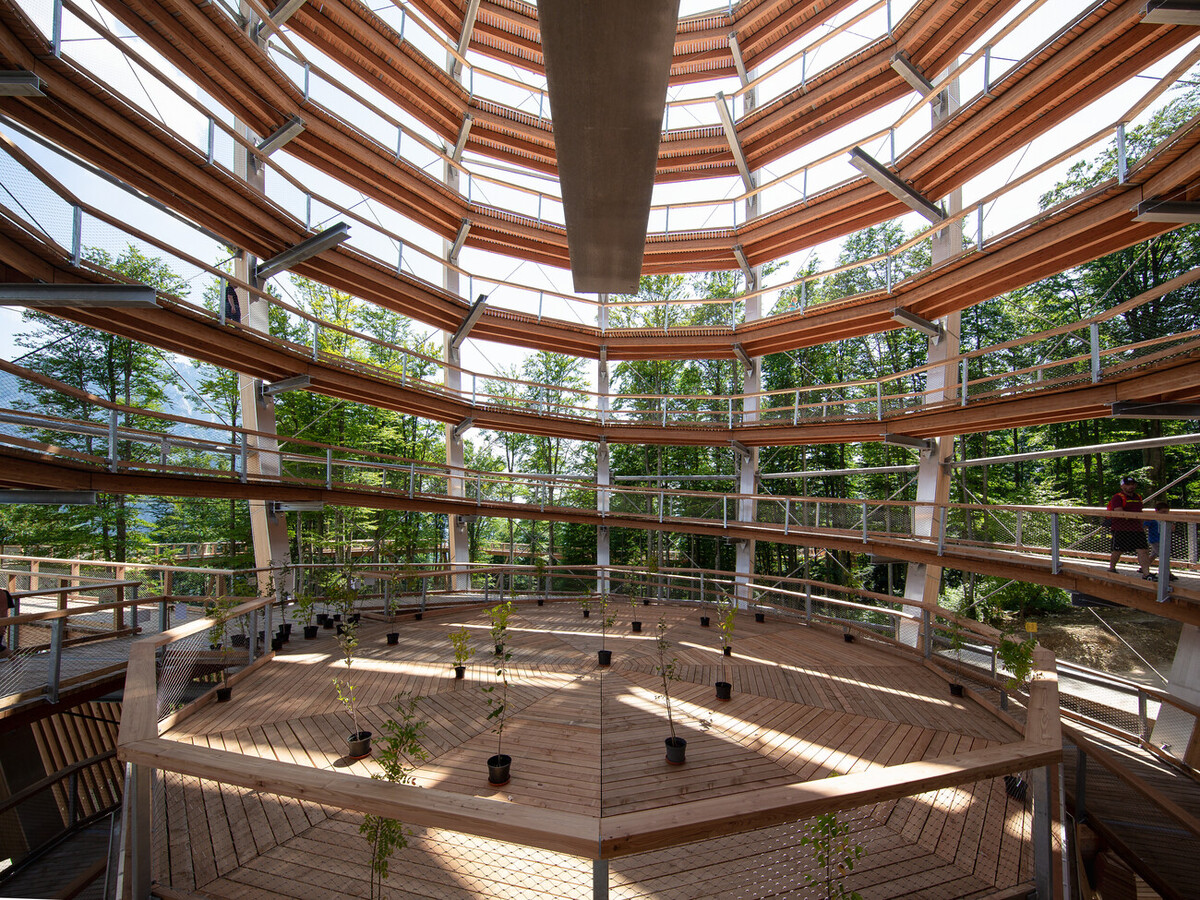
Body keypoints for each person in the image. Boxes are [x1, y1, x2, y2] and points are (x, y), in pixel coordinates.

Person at [1107, 476, 1151, 578]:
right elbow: (1118, 511)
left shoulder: (1138, 497)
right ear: (1122, 486)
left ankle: (1146, 573)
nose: (1130, 487)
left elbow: (1140, 511)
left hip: (1137, 528)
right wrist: (1133, 517)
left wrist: (1144, 520)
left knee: (1143, 550)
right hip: (1121, 528)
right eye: (1128, 484)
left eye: (1132, 484)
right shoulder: (1118, 497)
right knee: (1118, 550)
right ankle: (1112, 568)